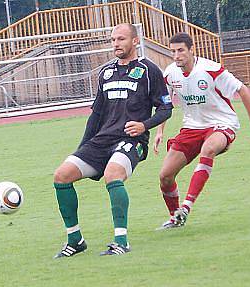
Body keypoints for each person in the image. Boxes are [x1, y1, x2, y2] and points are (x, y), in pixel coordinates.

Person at [53, 23, 173, 257]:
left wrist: (144, 126)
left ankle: (121, 241)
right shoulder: (106, 72)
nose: (116, 44)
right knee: (62, 176)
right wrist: (82, 150)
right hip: (101, 140)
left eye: (121, 39)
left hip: (131, 140)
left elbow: (165, 109)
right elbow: (96, 115)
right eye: (113, 40)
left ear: (135, 41)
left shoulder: (149, 71)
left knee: (113, 174)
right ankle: (75, 240)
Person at [154, 32, 250, 230]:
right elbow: (165, 103)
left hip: (221, 123)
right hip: (191, 127)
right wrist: (159, 131)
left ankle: (186, 207)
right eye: (173, 51)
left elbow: (243, 89)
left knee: (208, 150)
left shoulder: (211, 69)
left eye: (180, 50)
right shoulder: (170, 73)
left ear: (191, 49)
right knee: (165, 175)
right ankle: (175, 218)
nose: (176, 55)